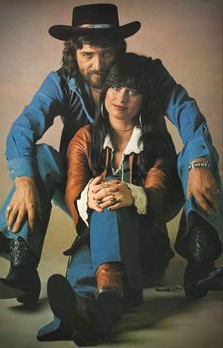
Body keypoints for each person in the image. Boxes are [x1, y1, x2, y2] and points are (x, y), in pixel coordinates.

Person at [0, 3, 222, 307]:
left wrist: (200, 163)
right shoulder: (60, 82)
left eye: (107, 53)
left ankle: (201, 260)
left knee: (197, 155)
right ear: (73, 54)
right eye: (87, 54)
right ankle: (22, 267)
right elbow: (23, 128)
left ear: (121, 51)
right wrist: (24, 181)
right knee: (40, 157)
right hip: (85, 189)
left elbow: (188, 116)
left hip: (155, 185)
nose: (97, 65)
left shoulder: (148, 73)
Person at [40, 53, 222, 346]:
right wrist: (89, 196)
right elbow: (74, 187)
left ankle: (99, 302)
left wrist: (132, 194)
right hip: (97, 245)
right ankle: (95, 314)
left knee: (113, 191)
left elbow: (159, 194)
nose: (120, 98)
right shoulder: (84, 138)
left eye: (132, 91)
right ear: (104, 92)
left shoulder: (156, 144)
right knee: (85, 258)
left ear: (143, 100)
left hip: (144, 246)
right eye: (114, 88)